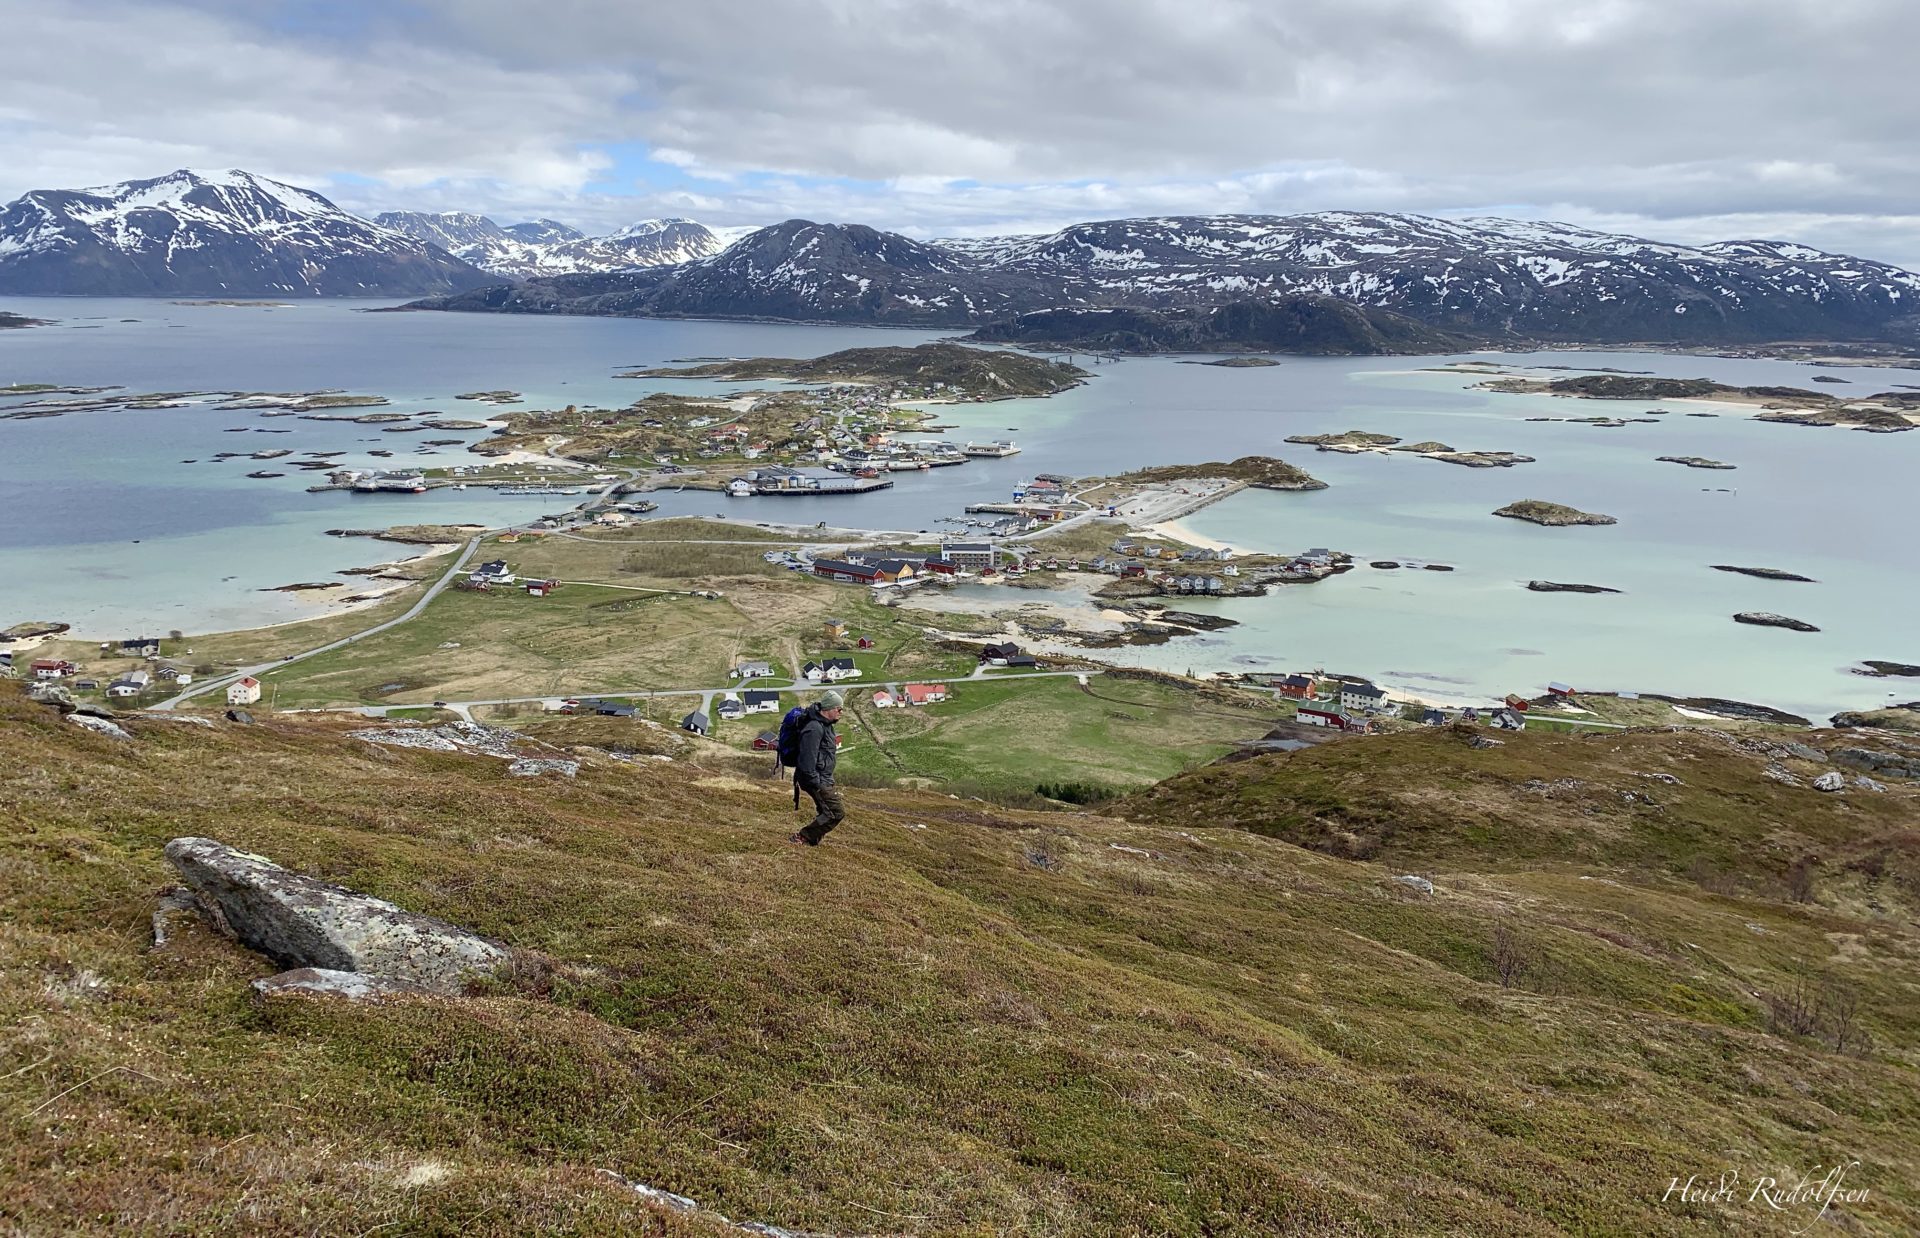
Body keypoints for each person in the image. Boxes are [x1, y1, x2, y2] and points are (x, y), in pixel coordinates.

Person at [788, 690, 845, 846]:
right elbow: (807, 761)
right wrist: (817, 783)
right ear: (828, 709)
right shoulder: (814, 728)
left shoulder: (826, 725)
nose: (841, 712)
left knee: (825, 811)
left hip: (823, 777)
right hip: (815, 779)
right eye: (838, 709)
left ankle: (812, 841)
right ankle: (803, 837)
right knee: (835, 812)